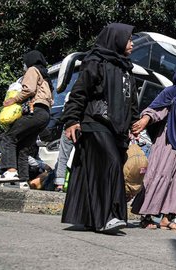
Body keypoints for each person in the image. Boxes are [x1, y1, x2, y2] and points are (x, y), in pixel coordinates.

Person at [60, 23, 138, 233]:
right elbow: (80, 91)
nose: (132, 44)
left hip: (117, 128)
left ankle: (88, 217)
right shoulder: (95, 61)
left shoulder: (125, 67)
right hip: (94, 121)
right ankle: (108, 216)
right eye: (129, 39)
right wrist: (71, 119)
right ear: (117, 39)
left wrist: (134, 123)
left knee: (94, 169)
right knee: (110, 163)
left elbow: (131, 101)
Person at [131, 60, 176, 231]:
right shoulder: (172, 91)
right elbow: (157, 109)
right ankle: (146, 215)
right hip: (168, 140)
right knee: (159, 175)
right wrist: (145, 120)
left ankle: (167, 217)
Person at [0, 50, 53, 188]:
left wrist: (13, 100)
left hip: (34, 111)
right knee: (24, 147)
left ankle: (10, 171)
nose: (24, 66)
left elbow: (29, 90)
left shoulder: (32, 69)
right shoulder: (46, 77)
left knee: (9, 137)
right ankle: (23, 180)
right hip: (45, 114)